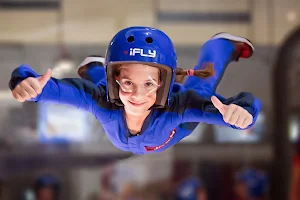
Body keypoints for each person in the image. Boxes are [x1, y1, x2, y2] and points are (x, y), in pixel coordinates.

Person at [9, 26, 261, 154]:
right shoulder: (103, 98)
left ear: (163, 84)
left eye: (149, 84)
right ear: (115, 77)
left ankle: (219, 46)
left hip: (173, 131)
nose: (137, 96)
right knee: (101, 90)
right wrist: (26, 83)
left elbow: (237, 109)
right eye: (128, 83)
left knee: (202, 88)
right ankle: (97, 69)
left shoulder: (179, 106)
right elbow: (53, 89)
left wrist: (242, 113)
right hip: (124, 118)